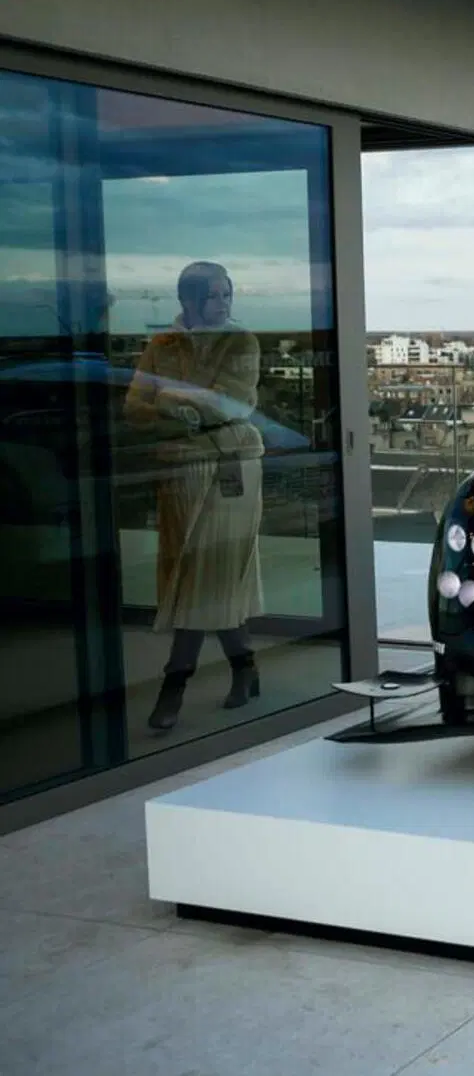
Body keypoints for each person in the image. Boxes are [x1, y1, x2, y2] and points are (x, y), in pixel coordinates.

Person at [123, 260, 267, 732]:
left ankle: (174, 685)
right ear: (188, 300)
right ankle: (245, 668)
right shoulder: (162, 344)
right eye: (214, 295)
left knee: (204, 573)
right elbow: (134, 407)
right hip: (178, 470)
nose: (224, 303)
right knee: (202, 575)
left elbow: (234, 402)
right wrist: (184, 403)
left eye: (228, 294)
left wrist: (168, 399)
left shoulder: (242, 342)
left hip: (231, 467)